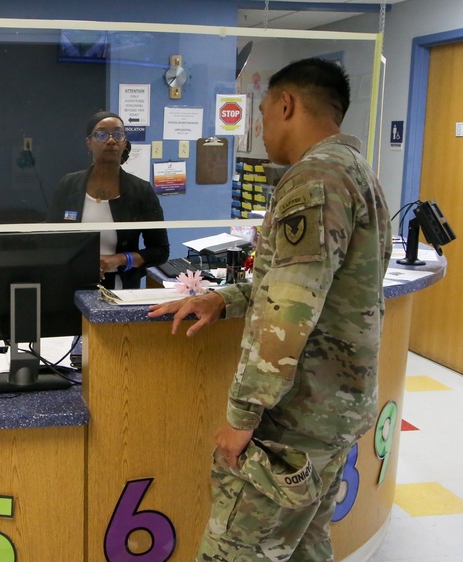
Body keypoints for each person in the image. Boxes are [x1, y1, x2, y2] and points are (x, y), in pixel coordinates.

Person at [149, 58, 392, 561]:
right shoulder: (356, 172)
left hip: (293, 423)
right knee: (305, 547)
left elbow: (290, 312)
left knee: (234, 553)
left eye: (262, 115)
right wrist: (225, 297)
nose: (260, 131)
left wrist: (242, 416)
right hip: (333, 413)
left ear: (287, 105)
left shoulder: (314, 180)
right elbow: (318, 284)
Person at [46, 110, 169, 289]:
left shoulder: (141, 191)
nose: (111, 140)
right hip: (71, 283)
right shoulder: (69, 185)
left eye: (118, 134)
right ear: (89, 143)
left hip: (121, 288)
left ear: (124, 141)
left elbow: (160, 251)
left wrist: (118, 259)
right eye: (102, 134)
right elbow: (51, 239)